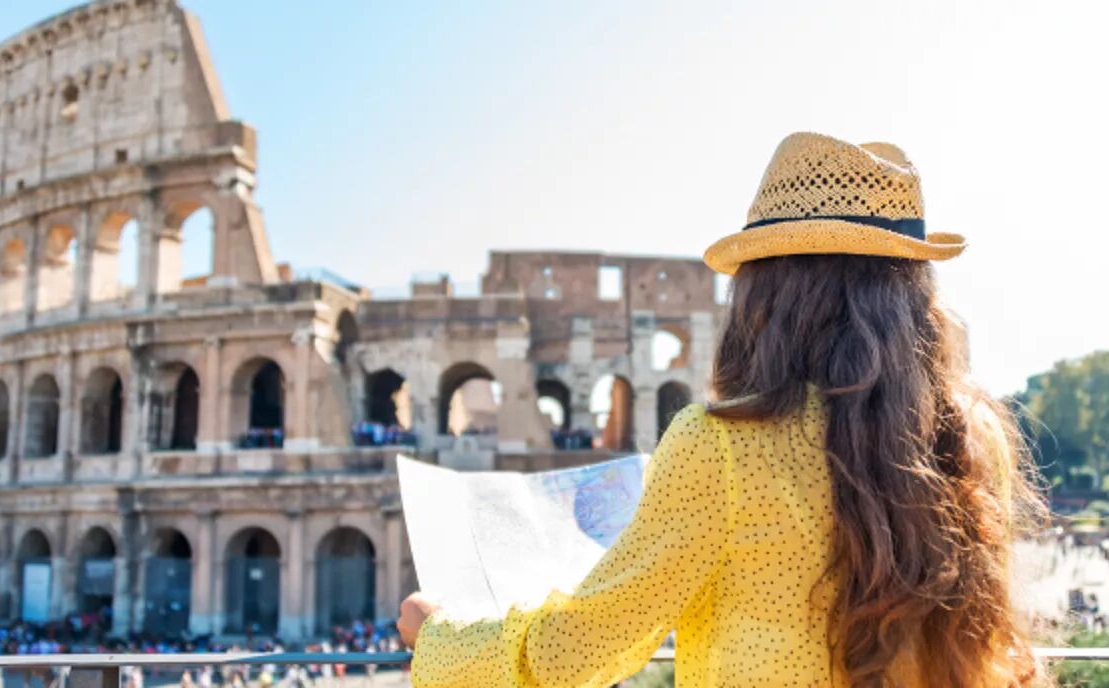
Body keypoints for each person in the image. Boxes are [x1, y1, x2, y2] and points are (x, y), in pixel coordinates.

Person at [397, 132, 1048, 686]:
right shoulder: (971, 435)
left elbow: (589, 643)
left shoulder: (723, 447)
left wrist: (443, 642)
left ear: (766, 294)